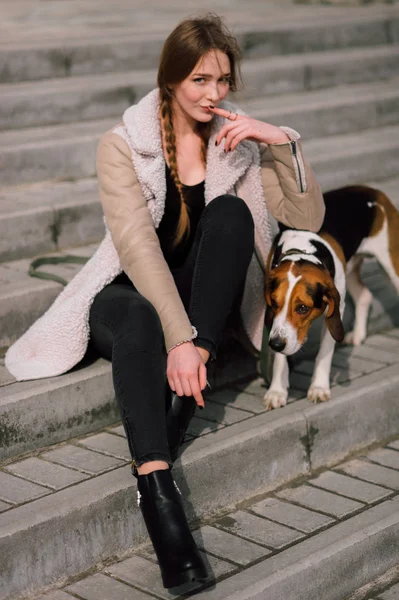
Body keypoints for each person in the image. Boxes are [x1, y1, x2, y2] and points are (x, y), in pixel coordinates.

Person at [5, 13, 325, 590]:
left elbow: (306, 219)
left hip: (199, 305)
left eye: (223, 80)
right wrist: (181, 339)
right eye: (200, 80)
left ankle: (176, 401)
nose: (214, 94)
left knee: (230, 214)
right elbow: (136, 249)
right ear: (172, 79)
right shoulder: (124, 145)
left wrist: (280, 142)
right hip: (127, 289)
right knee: (140, 321)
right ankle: (160, 499)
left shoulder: (237, 147)